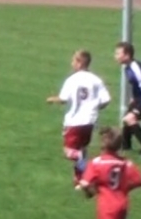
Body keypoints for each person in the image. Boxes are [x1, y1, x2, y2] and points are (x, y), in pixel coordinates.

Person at [46, 49, 111, 182]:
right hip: (90, 121)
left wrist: (52, 99)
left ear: (80, 63)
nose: (71, 63)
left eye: (73, 60)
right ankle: (80, 180)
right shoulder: (96, 79)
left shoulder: (72, 80)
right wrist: (95, 107)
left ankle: (89, 166)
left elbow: (64, 99)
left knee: (69, 152)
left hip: (74, 121)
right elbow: (106, 100)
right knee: (82, 148)